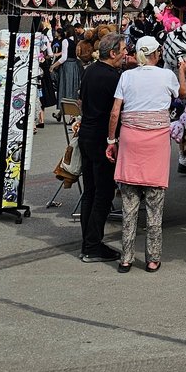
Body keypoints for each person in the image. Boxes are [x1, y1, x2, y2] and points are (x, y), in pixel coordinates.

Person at [107, 36, 186, 273]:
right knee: (154, 205)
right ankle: (152, 259)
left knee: (129, 205)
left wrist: (112, 140)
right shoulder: (167, 76)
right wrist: (182, 71)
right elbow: (182, 94)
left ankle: (126, 258)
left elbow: (115, 113)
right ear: (156, 53)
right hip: (156, 143)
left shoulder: (126, 76)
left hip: (131, 140)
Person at [77, 31, 126, 262]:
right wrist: (112, 140)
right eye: (123, 50)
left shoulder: (89, 71)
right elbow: (118, 111)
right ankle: (93, 245)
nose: (126, 54)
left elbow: (81, 100)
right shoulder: (113, 78)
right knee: (103, 194)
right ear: (113, 53)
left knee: (90, 191)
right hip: (101, 139)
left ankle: (88, 242)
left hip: (86, 134)